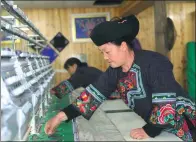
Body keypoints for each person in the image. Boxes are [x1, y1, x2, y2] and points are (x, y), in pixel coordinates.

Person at [45, 15, 195, 141]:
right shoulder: (114, 71)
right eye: (101, 52)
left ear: (123, 46)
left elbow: (165, 104)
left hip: (184, 125)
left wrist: (149, 131)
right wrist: (59, 117)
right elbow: (91, 96)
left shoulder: (154, 62)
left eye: (107, 52)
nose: (105, 57)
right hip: (161, 130)